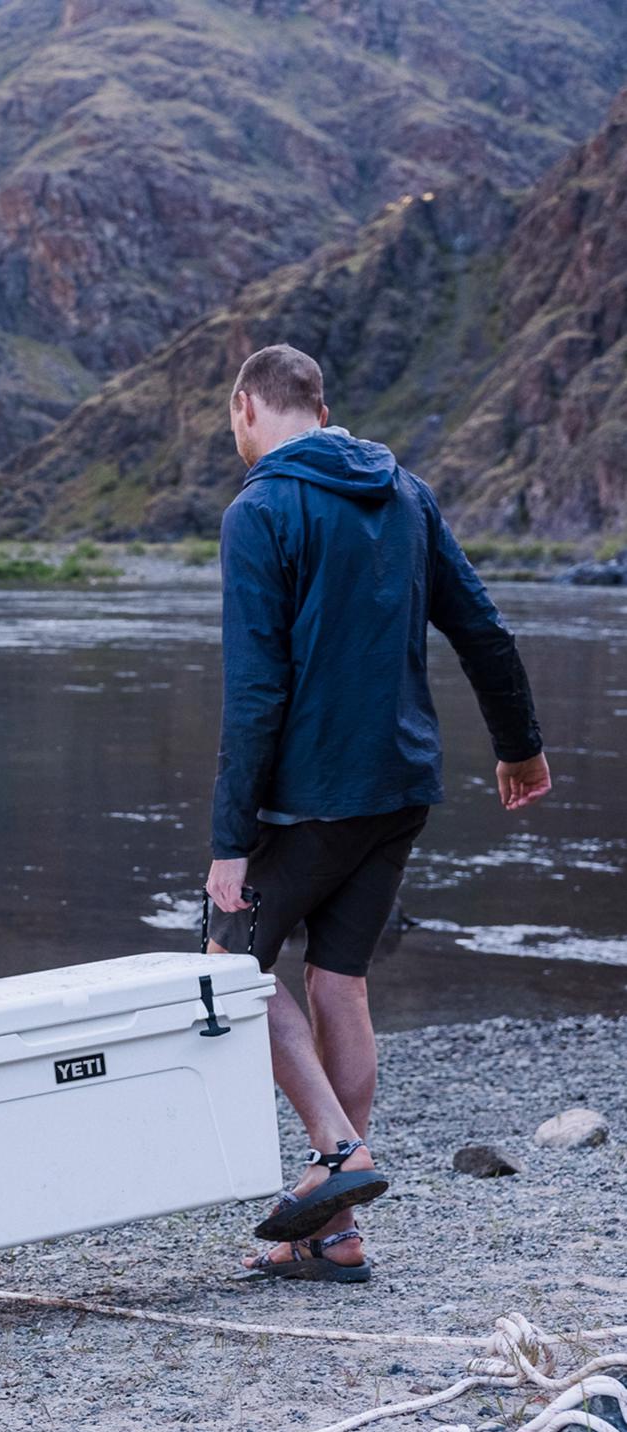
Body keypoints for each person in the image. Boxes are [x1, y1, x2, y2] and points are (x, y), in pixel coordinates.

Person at [204, 346, 550, 1284]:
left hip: (309, 796)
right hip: (400, 785)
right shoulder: (405, 493)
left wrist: (230, 841)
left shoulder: (259, 511)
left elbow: (255, 690)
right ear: (321, 409)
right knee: (339, 981)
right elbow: (482, 627)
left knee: (227, 966)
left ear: (247, 408)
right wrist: (519, 746)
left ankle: (337, 1151)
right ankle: (336, 1232)